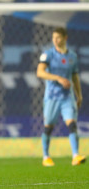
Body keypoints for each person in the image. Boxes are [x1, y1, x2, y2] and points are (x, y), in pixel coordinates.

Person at [36, 27, 85, 167]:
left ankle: (75, 155)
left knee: (72, 124)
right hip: (52, 97)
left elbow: (75, 77)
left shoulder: (72, 57)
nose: (55, 41)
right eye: (53, 38)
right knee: (49, 127)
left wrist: (79, 95)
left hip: (67, 97)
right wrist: (57, 78)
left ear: (65, 38)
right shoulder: (48, 55)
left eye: (58, 38)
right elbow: (40, 72)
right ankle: (46, 157)